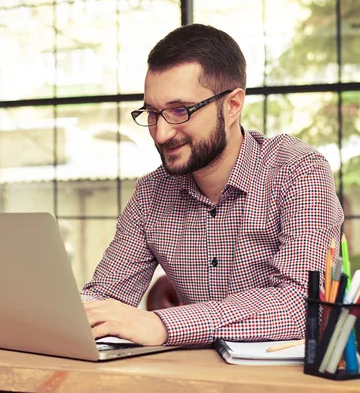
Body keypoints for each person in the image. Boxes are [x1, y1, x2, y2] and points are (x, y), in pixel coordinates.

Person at [81, 24, 344, 347]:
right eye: (152, 113)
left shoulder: (298, 172)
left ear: (232, 105)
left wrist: (162, 325)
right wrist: (60, 316)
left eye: (180, 111)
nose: (161, 134)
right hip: (196, 378)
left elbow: (300, 304)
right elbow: (106, 298)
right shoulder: (151, 194)